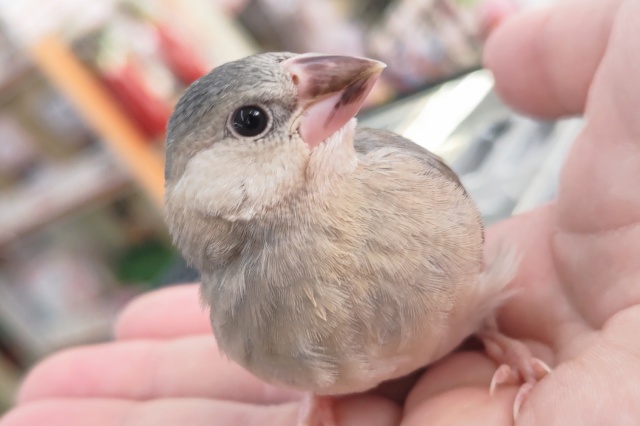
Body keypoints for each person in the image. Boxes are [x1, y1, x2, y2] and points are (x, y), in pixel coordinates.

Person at [3, 0, 639, 424]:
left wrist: (500, 336)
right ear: (205, 195)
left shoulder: (409, 186)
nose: (329, 85)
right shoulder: (237, 316)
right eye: (254, 122)